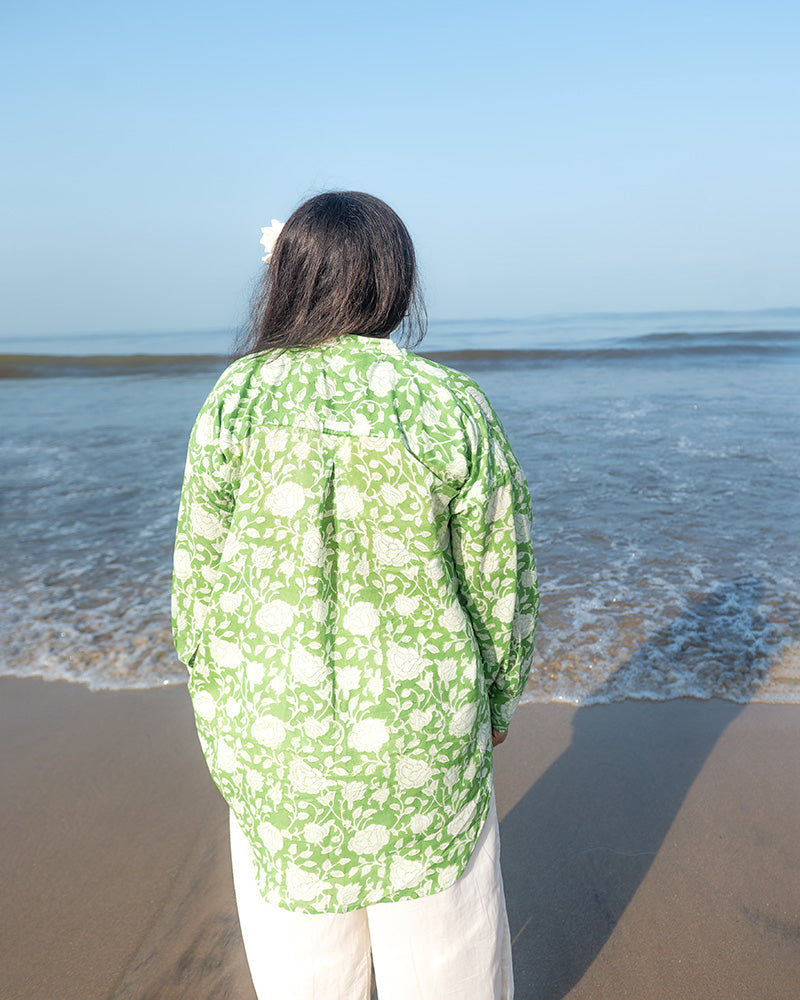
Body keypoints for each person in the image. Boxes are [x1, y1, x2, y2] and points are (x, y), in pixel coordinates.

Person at [171, 191, 539, 999]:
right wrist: (499, 698)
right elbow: (499, 574)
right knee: (449, 948)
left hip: (274, 719)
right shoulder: (448, 404)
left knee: (303, 958)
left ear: (288, 279)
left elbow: (197, 575)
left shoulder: (237, 399)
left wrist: (214, 689)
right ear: (395, 283)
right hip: (421, 719)